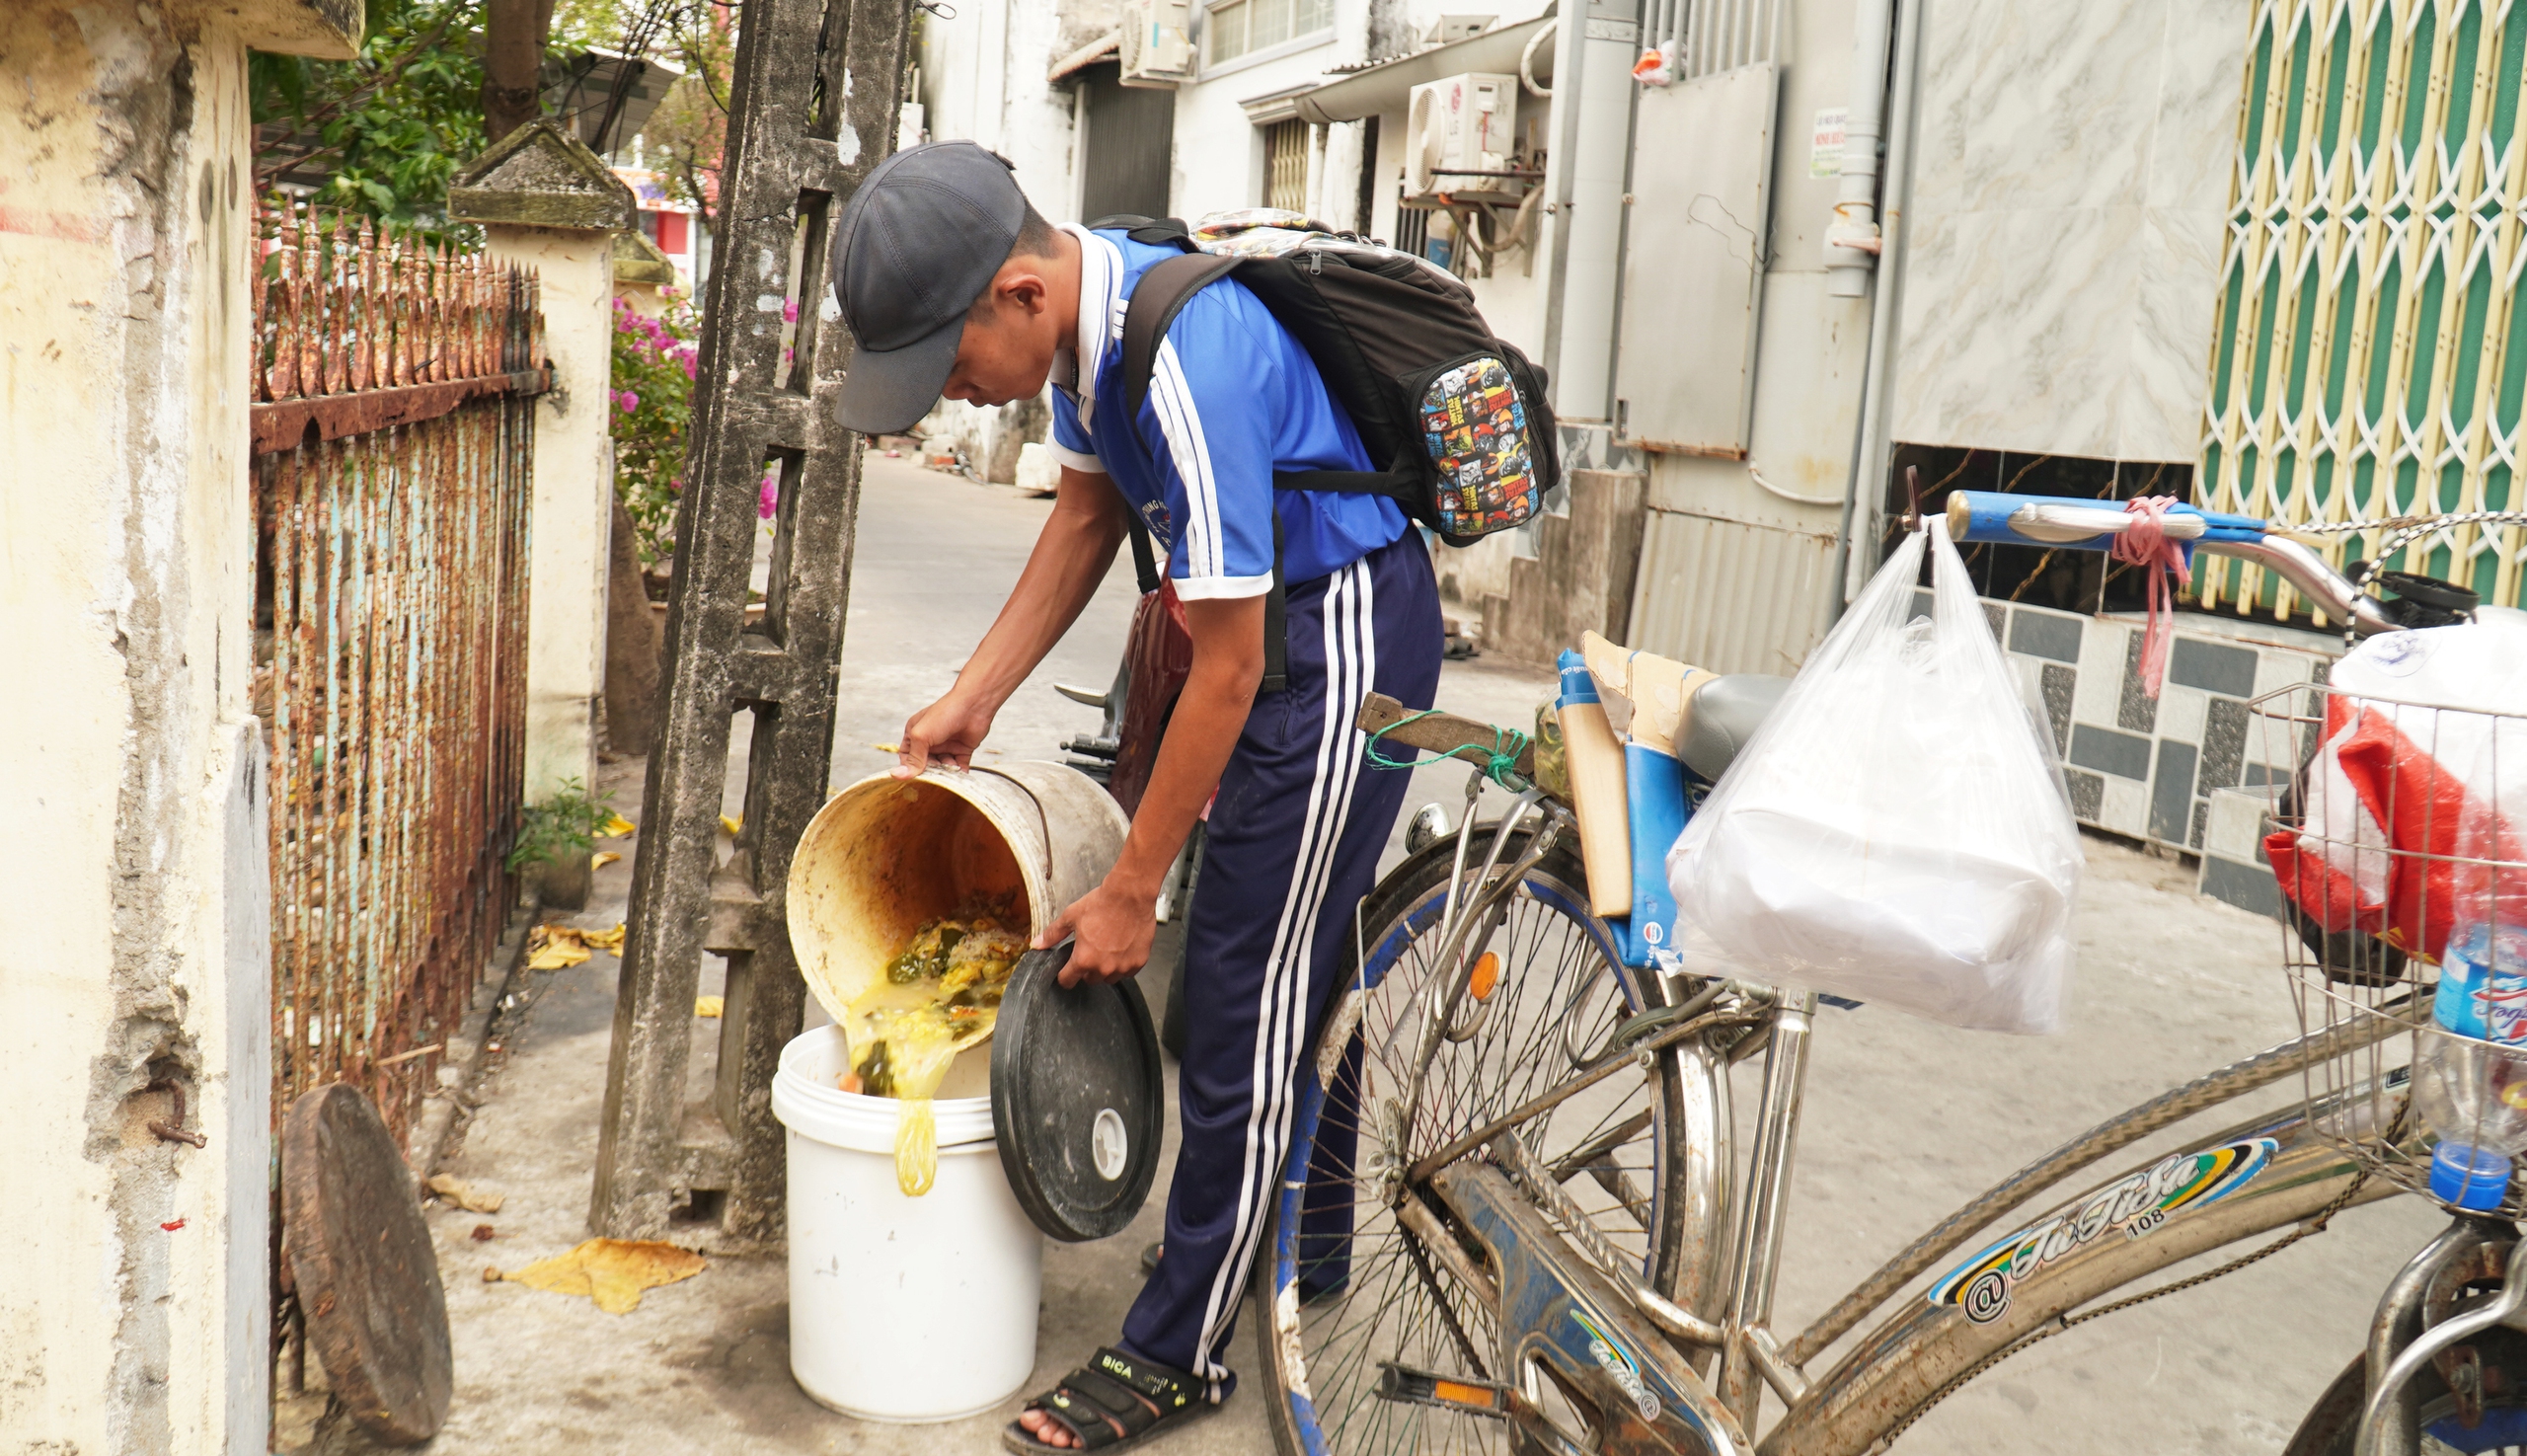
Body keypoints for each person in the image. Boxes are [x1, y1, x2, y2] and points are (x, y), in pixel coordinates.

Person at [829, 141, 1443, 1452]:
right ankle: (1310, 1238)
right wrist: (976, 692)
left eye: (950, 363)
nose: (957, 395)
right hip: (1269, 641)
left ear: (1021, 294)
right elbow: (1085, 522)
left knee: (1231, 989)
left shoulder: (1187, 359)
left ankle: (1179, 1351)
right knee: (1293, 959)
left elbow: (1222, 674)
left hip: (1329, 648)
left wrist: (1129, 890)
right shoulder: (1090, 339)